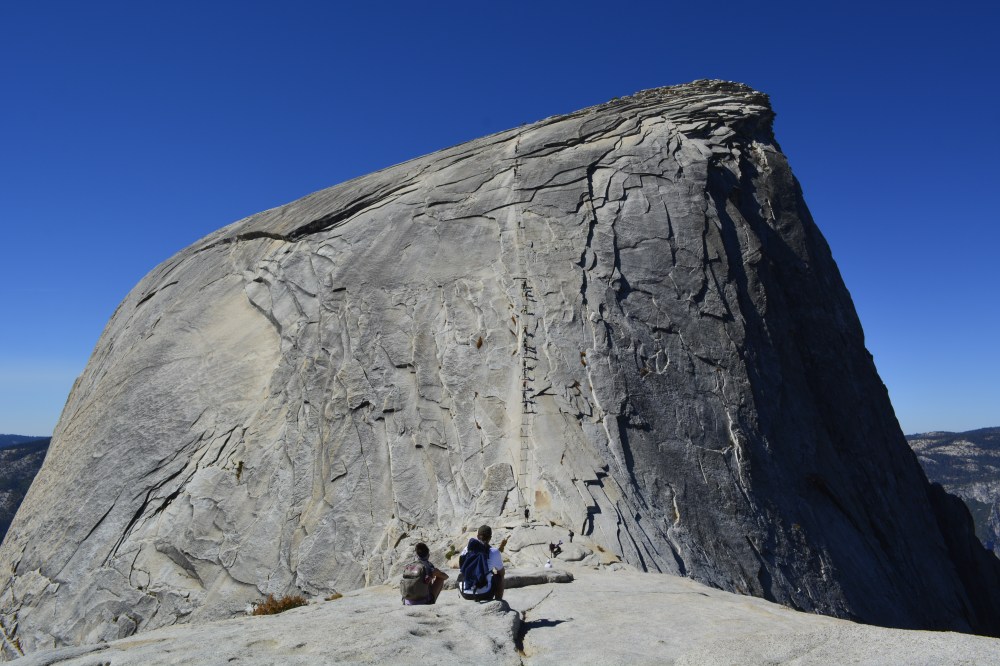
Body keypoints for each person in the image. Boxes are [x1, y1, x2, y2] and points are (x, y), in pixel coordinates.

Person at [458, 525, 505, 601]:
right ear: (490, 537)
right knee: (499, 576)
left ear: (477, 536)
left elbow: (461, 566)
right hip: (485, 594)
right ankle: (499, 601)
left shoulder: (467, 549)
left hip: (465, 593)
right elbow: (501, 572)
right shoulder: (494, 552)